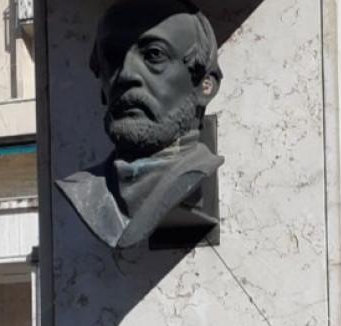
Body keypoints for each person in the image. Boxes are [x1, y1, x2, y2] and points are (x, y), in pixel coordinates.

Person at [56, 0, 224, 249]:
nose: (126, 75)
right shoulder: (84, 191)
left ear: (204, 86)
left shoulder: (197, 173)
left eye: (154, 55)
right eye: (113, 57)